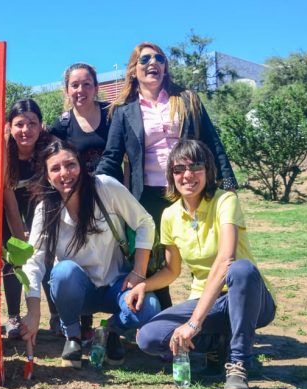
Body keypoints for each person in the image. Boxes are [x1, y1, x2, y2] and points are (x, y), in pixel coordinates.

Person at [96, 41, 238, 310]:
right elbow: (112, 156)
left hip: (190, 190)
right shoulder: (124, 111)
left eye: (159, 58)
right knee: (151, 261)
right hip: (148, 194)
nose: (153, 63)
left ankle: (215, 319)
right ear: (133, 70)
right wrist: (96, 187)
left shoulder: (187, 100)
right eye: (145, 59)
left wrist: (227, 180)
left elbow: (212, 141)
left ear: (165, 67)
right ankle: (160, 322)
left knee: (203, 255)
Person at [131, 140, 275, 389]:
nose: (187, 175)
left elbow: (225, 261)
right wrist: (144, 284)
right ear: (170, 176)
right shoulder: (170, 215)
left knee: (241, 270)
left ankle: (238, 363)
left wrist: (194, 323)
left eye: (195, 166)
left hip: (248, 297)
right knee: (149, 337)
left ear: (208, 170)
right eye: (178, 169)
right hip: (208, 302)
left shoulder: (225, 201)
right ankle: (216, 343)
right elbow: (172, 270)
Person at [19, 139, 160, 368]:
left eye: (70, 164)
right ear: (47, 177)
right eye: (55, 168)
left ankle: (109, 332)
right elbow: (33, 262)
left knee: (150, 308)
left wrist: (139, 272)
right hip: (76, 291)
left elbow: (145, 222)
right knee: (63, 272)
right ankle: (72, 335)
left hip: (117, 285)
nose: (65, 173)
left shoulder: (105, 187)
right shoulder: (46, 209)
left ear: (81, 166)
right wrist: (33, 312)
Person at [49, 62, 110, 340]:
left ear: (96, 87)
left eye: (87, 84)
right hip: (79, 200)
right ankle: (82, 325)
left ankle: (123, 319)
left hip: (112, 198)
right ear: (67, 90)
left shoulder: (113, 114)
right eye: (75, 85)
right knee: (80, 256)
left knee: (116, 256)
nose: (81, 90)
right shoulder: (63, 125)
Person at [2, 99, 53, 339]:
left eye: (32, 124)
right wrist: (17, 235)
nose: (26, 130)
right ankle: (13, 315)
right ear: (9, 127)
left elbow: (47, 196)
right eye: (20, 124)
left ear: (41, 126)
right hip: (8, 207)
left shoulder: (48, 148)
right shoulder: (3, 152)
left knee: (45, 255)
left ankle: (56, 315)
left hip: (40, 204)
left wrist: (34, 237)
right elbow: (8, 199)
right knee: (13, 256)